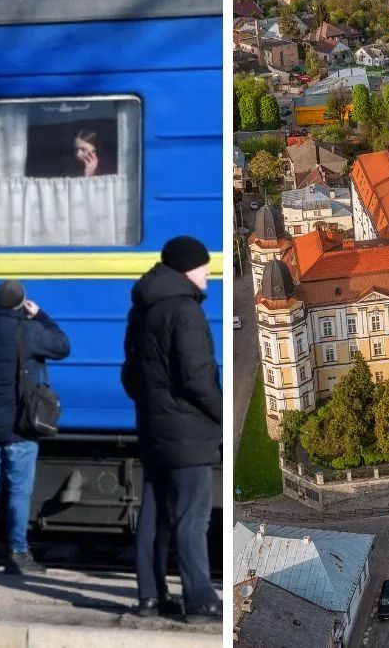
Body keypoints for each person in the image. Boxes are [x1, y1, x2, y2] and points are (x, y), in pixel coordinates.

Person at [122, 236, 222, 624]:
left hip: (153, 427)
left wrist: (153, 405)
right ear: (187, 269)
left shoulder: (142, 310)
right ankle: (199, 600)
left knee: (153, 517)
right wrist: (219, 413)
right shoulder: (185, 312)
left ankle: (150, 596)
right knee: (191, 517)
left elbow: (130, 373)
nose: (209, 275)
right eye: (205, 268)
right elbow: (197, 379)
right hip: (188, 433)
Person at [0, 280, 70, 575]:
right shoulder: (30, 331)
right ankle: (18, 554)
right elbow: (63, 346)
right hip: (21, 426)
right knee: (18, 493)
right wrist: (42, 315)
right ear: (22, 303)